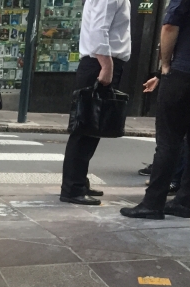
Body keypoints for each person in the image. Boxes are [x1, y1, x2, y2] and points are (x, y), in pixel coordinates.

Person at [122, 0, 190, 219]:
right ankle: (184, 202)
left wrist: (164, 68)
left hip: (186, 70)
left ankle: (153, 203)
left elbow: (170, 27)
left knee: (169, 139)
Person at [59, 0, 131, 206]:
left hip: (100, 62)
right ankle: (73, 188)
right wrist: (106, 66)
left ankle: (79, 181)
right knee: (85, 128)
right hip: (99, 63)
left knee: (92, 128)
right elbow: (99, 30)